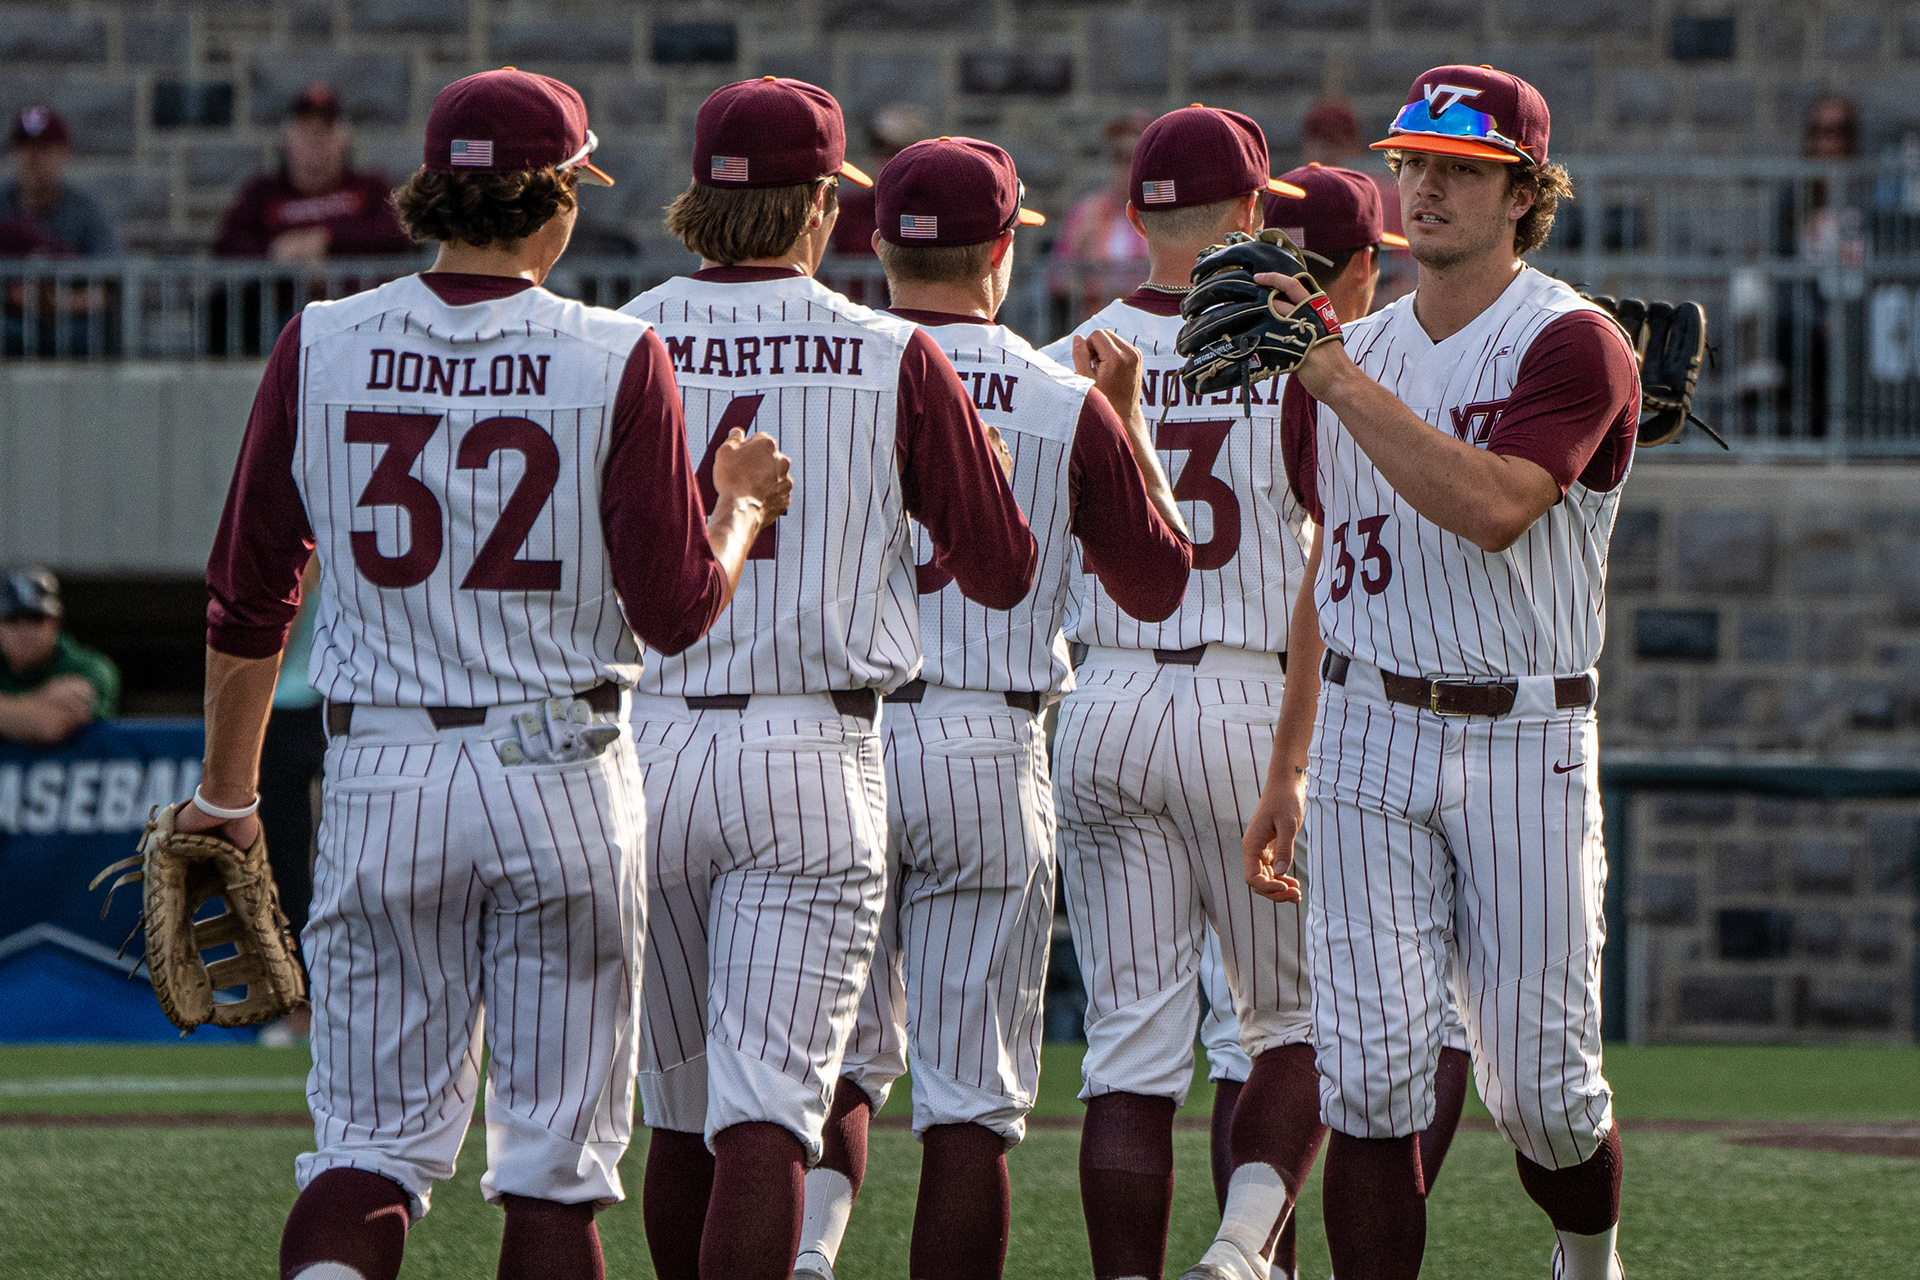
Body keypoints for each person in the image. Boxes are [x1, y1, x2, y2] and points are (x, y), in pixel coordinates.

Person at [183, 67, 793, 1280]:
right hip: (560, 768)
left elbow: (250, 593)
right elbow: (677, 614)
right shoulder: (617, 351)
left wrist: (227, 793)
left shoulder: (323, 337)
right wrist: (736, 512)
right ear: (555, 199)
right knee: (552, 1175)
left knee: (365, 1149)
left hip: (384, 767)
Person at [616, 77, 1037, 1280]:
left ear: (699, 198)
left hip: (653, 737)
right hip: (812, 746)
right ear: (821, 210)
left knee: (680, 1103)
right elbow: (1002, 571)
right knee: (769, 1111)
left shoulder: (619, 331)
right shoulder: (893, 350)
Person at [1244, 64, 1638, 1280]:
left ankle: (1590, 1246)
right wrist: (1290, 761)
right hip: (1371, 725)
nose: (1423, 186)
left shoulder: (1571, 338)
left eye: (1461, 170)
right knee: (1366, 1077)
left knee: (1548, 1092)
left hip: (1527, 732)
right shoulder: (1347, 351)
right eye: (1411, 161)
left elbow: (1494, 509)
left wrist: (1330, 375)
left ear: (1525, 192)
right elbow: (1333, 564)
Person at [798, 136, 1194, 1280]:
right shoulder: (1062, 393)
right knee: (970, 1097)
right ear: (1005, 252)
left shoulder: (834, 370)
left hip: (842, 730)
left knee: (827, 1061)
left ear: (875, 243)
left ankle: (811, 1252)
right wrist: (1124, 428)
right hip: (987, 732)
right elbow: (1160, 583)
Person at [1037, 105, 1326, 1280]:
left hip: (1104, 694)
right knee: (1299, 1022)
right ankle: (1239, 1248)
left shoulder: (1073, 352)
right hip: (1251, 694)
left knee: (1128, 1050)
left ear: (1137, 213)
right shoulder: (1306, 345)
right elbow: (1331, 559)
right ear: (1251, 214)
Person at [212, 83, 414, 262]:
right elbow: (227, 244)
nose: (315, 138)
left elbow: (399, 232)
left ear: (343, 138)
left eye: (325, 128)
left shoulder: (371, 188)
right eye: (305, 127)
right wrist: (276, 251)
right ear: (288, 136)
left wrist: (327, 238)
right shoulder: (261, 193)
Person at [1049, 113, 1152, 322]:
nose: (1128, 169)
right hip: (1095, 328)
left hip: (1148, 327)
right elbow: (1058, 276)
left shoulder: (1161, 215)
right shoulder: (1086, 212)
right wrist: (1099, 288)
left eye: (1136, 159)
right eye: (1121, 158)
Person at [0, 568, 119, 745]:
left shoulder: (89, 667)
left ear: (56, 622)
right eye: (12, 619)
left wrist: (13, 711)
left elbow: (49, 724)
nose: (23, 630)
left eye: (35, 618)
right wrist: (37, 703)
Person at [0, 106, 121, 257]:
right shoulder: (3, 202)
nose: (33, 157)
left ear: (63, 153)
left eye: (43, 148)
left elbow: (110, 268)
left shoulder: (84, 211)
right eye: (25, 147)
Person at [827, 102, 930, 260]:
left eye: (896, 151)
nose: (886, 160)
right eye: (879, 149)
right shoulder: (850, 209)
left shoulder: (928, 211)